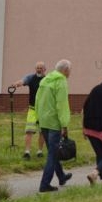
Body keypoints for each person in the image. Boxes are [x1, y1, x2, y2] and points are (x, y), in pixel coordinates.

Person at [36, 59, 74, 193]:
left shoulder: (45, 80)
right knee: (52, 153)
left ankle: (62, 176)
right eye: (70, 70)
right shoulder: (61, 81)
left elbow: (38, 100)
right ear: (65, 70)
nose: (70, 73)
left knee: (53, 150)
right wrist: (64, 124)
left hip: (44, 121)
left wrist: (38, 118)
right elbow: (62, 104)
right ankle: (44, 184)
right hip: (54, 123)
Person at [10, 61, 47, 159]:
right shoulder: (31, 77)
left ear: (44, 69)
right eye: (37, 68)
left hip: (43, 110)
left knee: (42, 131)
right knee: (29, 131)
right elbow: (23, 81)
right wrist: (16, 84)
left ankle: (40, 151)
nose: (39, 69)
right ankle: (27, 152)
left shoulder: (47, 79)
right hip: (32, 109)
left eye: (41, 68)